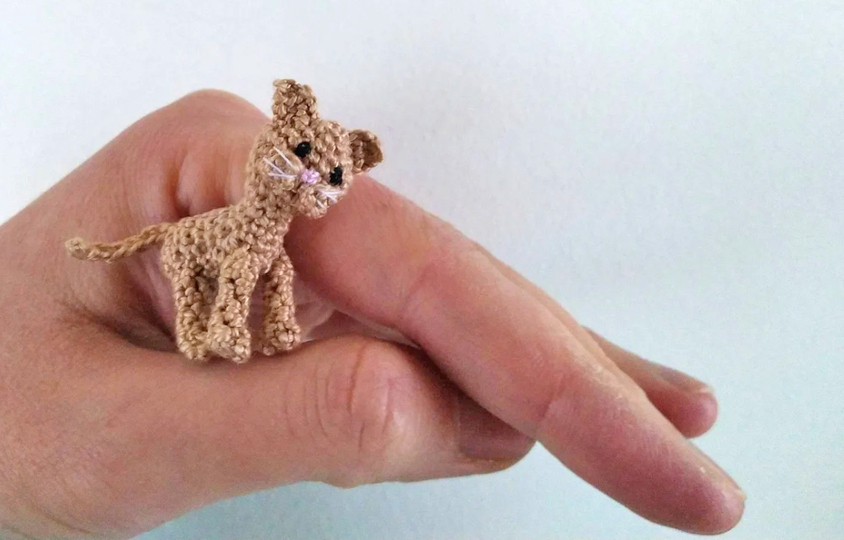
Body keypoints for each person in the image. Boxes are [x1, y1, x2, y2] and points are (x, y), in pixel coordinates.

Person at [0, 90, 745, 539]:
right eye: (303, 157)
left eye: (331, 172)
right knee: (227, 280)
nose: (314, 179)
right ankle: (209, 325)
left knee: (265, 271)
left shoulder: (289, 223)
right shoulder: (228, 213)